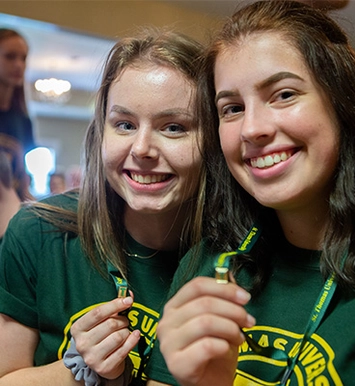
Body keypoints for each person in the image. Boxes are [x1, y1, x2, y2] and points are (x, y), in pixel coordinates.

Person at [146, 1, 355, 385]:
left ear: (343, 104)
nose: (252, 129)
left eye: (284, 94)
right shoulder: (209, 263)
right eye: (233, 108)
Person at [0, 28, 205, 385]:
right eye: (124, 124)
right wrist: (80, 369)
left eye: (173, 127)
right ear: (101, 132)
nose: (141, 149)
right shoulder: (37, 232)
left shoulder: (240, 256)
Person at [0, 28, 35, 156]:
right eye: (10, 56)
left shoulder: (23, 120)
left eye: (23, 58)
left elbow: (23, 174)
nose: (19, 65)